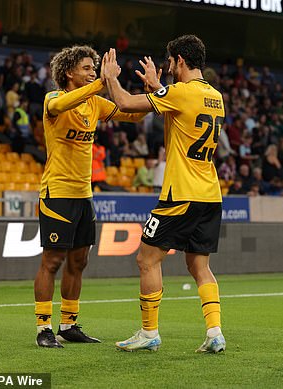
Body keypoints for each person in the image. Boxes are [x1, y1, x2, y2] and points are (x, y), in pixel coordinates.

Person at [101, 34, 226, 353]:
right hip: (210, 194)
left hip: (181, 193)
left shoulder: (180, 92)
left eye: (170, 61)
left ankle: (149, 332)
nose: (169, 66)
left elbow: (126, 103)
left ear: (180, 61)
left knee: (146, 258)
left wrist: (111, 79)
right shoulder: (215, 96)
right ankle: (215, 333)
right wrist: (158, 87)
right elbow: (179, 112)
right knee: (200, 267)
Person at [34, 45, 147, 348]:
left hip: (84, 195)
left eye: (94, 68)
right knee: (52, 260)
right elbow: (65, 102)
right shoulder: (54, 99)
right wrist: (103, 81)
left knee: (79, 261)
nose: (92, 72)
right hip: (57, 194)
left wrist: (154, 94)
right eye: (86, 68)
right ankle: (43, 328)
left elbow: (132, 117)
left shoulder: (95, 103)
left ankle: (68, 324)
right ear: (68, 72)